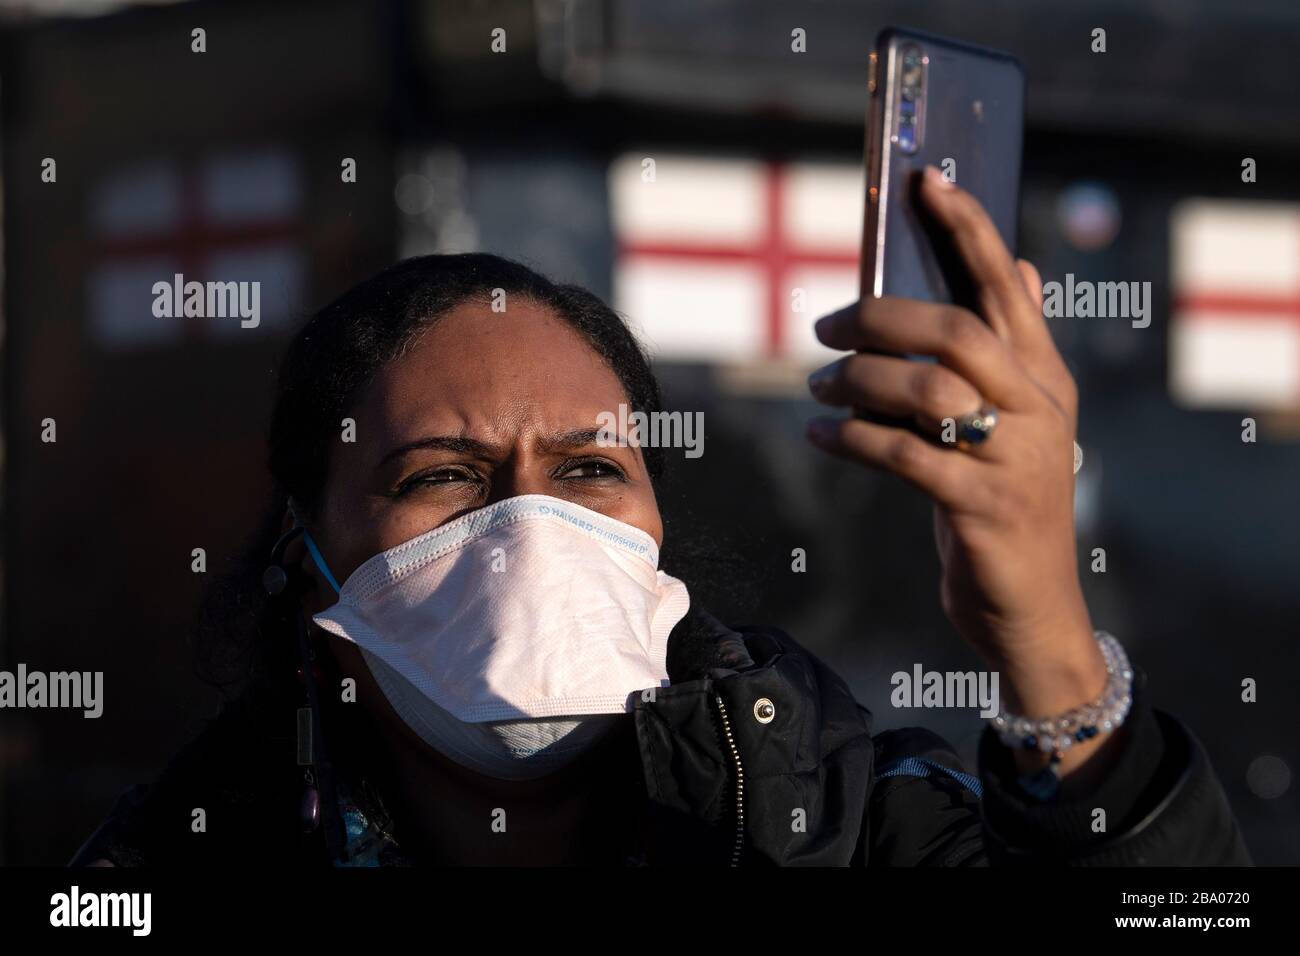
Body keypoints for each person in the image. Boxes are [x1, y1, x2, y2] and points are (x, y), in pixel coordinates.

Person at [73, 170, 1248, 866]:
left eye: (588, 470)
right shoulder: (174, 853)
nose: (529, 530)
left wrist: (1048, 640)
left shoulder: (847, 825)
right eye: (444, 474)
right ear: (308, 555)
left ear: (653, 527)